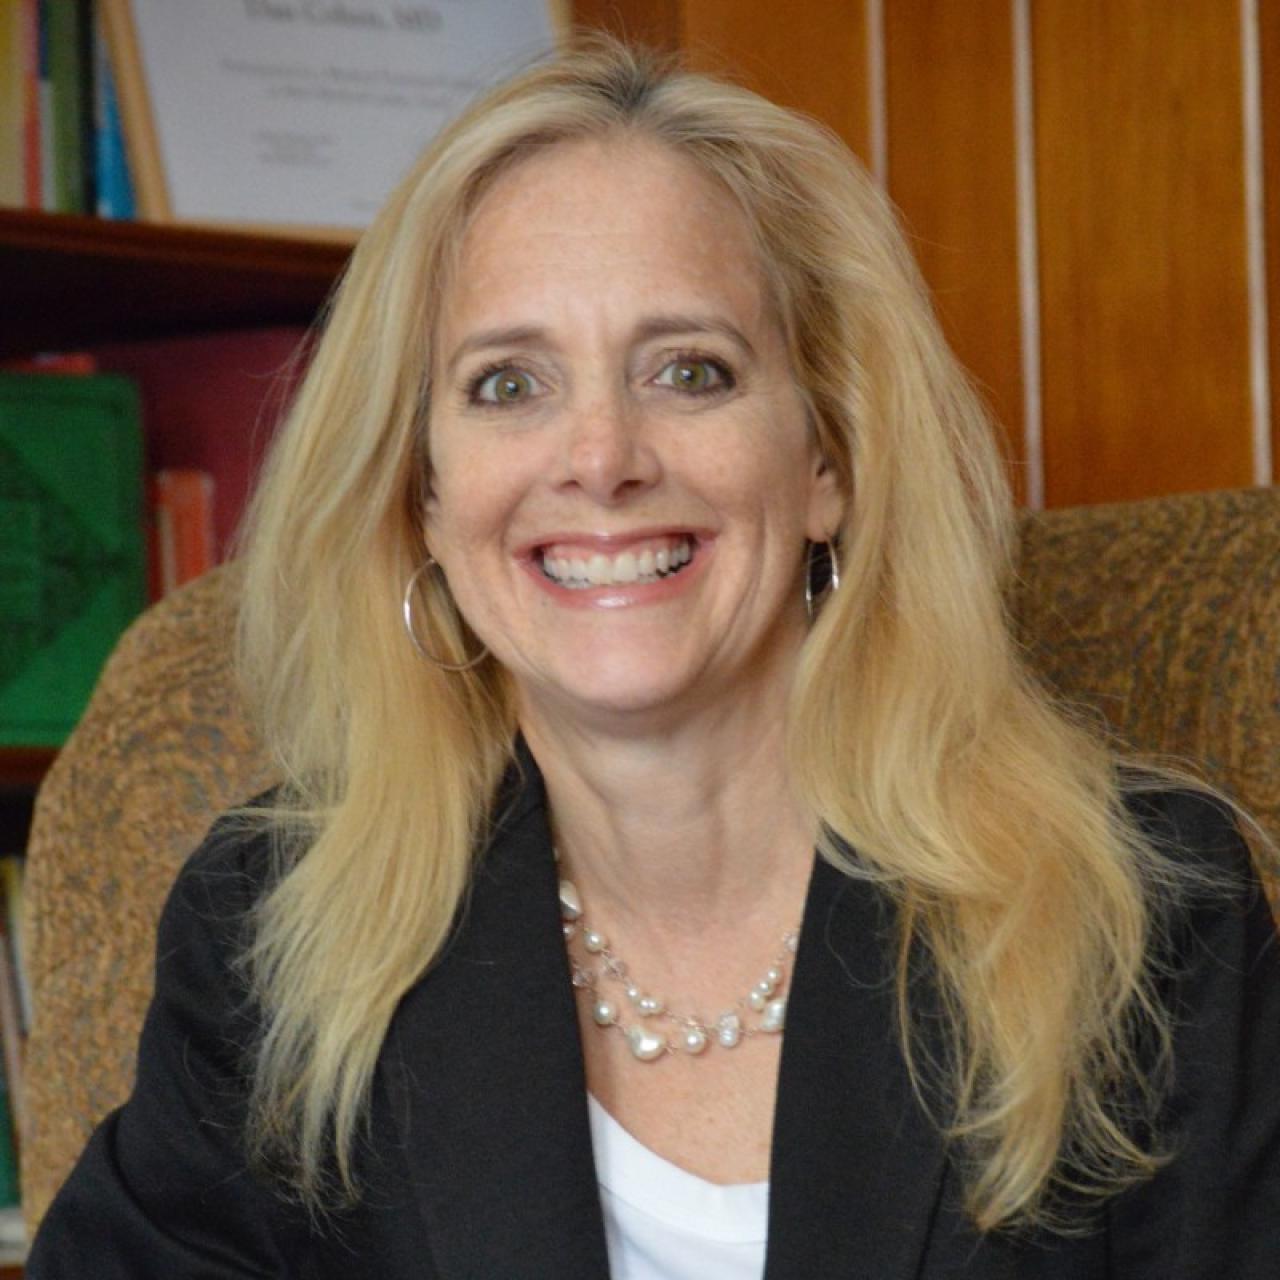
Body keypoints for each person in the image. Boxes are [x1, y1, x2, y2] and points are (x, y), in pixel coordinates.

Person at [28, 36, 1280, 1280]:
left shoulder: (1143, 920)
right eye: (506, 384)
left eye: (689, 371)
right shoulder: (277, 938)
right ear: (421, 492)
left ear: (826, 461)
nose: (599, 455)